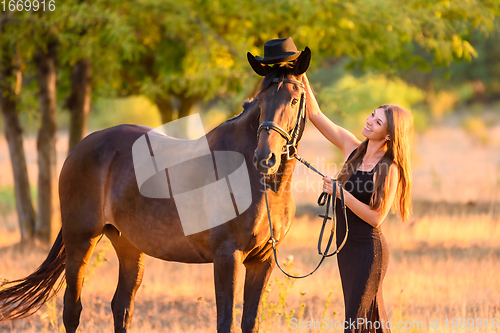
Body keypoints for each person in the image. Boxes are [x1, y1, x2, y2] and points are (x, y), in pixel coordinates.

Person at [304, 74, 413, 333]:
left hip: (368, 252)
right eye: (371, 115)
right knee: (370, 321)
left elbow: (377, 218)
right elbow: (316, 115)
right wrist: (301, 74)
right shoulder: (351, 147)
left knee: (355, 322)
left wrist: (342, 193)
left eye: (378, 122)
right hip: (347, 250)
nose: (369, 121)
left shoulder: (389, 168)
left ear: (389, 135)